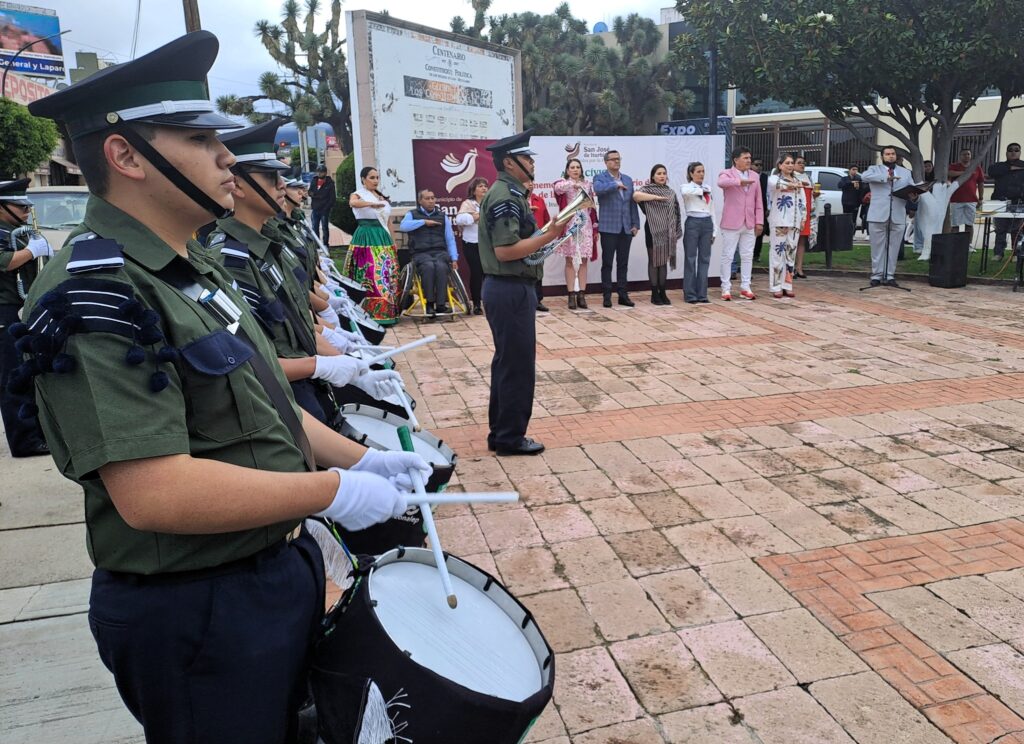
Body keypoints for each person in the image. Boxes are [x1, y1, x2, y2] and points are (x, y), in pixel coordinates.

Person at [22, 31, 428, 742]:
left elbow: (269, 408)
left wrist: (362, 461)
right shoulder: (100, 293)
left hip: (266, 575)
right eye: (199, 138)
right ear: (125, 155)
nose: (227, 158)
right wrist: (333, 493)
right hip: (197, 607)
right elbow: (154, 494)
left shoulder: (190, 271)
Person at [209, 119, 390, 426]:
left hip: (310, 389)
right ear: (237, 184)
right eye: (270, 177)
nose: (282, 185)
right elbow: (252, 360)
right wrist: (322, 363)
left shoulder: (269, 244)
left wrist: (344, 356)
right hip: (286, 402)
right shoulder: (230, 259)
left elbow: (298, 321)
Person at [478, 130, 553, 456]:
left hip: (511, 289)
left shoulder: (511, 193)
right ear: (509, 162)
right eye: (526, 158)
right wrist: (551, 234)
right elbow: (506, 251)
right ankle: (510, 437)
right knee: (517, 365)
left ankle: (503, 433)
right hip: (509, 288)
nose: (532, 163)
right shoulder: (506, 197)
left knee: (509, 363)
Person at [0, 179, 51, 457]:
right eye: (19, 207)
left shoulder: (15, 231)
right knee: (12, 377)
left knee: (29, 373)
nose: (25, 212)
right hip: (4, 310)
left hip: (19, 307)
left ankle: (37, 433)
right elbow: (6, 262)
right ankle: (24, 442)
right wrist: (30, 251)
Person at [346, 166, 399, 323]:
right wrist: (371, 204)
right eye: (372, 177)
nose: (375, 181)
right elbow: (353, 203)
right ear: (363, 179)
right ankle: (369, 314)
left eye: (377, 177)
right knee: (369, 273)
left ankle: (388, 313)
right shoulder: (358, 194)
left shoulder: (381, 196)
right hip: (367, 237)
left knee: (387, 274)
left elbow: (388, 221)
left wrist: (394, 242)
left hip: (383, 237)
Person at [399, 189, 459, 319]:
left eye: (433, 198)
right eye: (427, 198)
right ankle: (429, 304)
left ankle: (441, 304)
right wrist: (423, 222)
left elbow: (450, 239)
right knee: (428, 267)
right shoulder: (412, 214)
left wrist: (454, 258)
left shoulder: (442, 216)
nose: (431, 201)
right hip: (421, 253)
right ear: (420, 201)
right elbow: (403, 226)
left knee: (441, 267)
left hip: (440, 251)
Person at [861, 146, 914, 286]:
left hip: (897, 213)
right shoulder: (874, 169)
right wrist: (886, 177)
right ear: (882, 156)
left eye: (893, 154)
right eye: (887, 154)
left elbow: (912, 188)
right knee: (877, 247)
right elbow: (864, 177)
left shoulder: (905, 172)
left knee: (894, 247)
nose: (891, 156)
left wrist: (914, 197)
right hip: (878, 214)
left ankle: (890, 275)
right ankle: (876, 275)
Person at [593, 150, 640, 307]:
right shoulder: (600, 177)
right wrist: (615, 184)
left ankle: (622, 294)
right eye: (613, 159)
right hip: (608, 227)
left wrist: (635, 224)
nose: (616, 162)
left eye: (618, 159)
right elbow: (598, 190)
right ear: (606, 162)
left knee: (623, 263)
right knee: (607, 263)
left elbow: (632, 203)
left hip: (626, 227)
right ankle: (607, 295)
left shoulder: (627, 179)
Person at [717, 146, 764, 301]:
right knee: (728, 255)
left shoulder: (755, 176)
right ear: (735, 160)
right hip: (731, 221)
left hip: (749, 221)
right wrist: (739, 181)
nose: (748, 161)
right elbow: (721, 183)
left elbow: (759, 200)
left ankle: (745, 286)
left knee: (747, 255)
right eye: (745, 158)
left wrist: (759, 221)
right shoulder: (727, 173)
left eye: (749, 158)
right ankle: (725, 287)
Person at [633, 164, 682, 305]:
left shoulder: (671, 192)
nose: (662, 176)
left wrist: (676, 231)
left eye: (664, 173)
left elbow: (676, 213)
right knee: (654, 262)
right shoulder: (646, 190)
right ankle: (654, 294)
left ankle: (663, 292)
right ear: (653, 176)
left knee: (663, 263)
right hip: (653, 231)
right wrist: (656, 197)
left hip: (668, 232)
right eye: (659, 173)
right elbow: (635, 196)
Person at [553, 158, 597, 310]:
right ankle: (571, 294)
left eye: (578, 167)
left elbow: (592, 208)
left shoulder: (588, 185)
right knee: (570, 261)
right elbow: (557, 189)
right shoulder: (564, 183)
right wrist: (573, 183)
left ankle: (582, 294)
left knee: (584, 261)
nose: (576, 170)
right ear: (567, 170)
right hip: (570, 225)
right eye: (572, 167)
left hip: (585, 227)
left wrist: (595, 228)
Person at [766, 154, 807, 299]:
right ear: (780, 165)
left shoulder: (798, 181)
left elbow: (803, 201)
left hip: (794, 223)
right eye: (787, 163)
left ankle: (787, 285)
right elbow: (776, 186)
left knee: (790, 255)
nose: (790, 165)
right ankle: (775, 286)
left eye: (791, 163)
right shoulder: (774, 178)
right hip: (779, 222)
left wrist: (803, 219)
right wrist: (793, 185)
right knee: (777, 254)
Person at [679, 162, 718, 304]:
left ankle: (702, 294)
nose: (702, 174)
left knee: (704, 259)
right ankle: (690, 294)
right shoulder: (686, 187)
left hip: (706, 222)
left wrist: (714, 230)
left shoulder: (708, 187)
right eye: (698, 171)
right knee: (690, 259)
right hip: (693, 222)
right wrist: (702, 190)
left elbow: (712, 209)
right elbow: (685, 193)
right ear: (691, 173)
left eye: (703, 171)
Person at [454, 178, 488, 315]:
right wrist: (476, 216)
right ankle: (476, 304)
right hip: (472, 244)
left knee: (489, 273)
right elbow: (460, 219)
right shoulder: (468, 204)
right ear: (474, 190)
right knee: (476, 273)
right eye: (480, 186)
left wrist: (478, 216)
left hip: (488, 244)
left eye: (486, 186)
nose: (484, 188)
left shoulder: (490, 202)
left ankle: (489, 302)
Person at [989, 143, 1024, 259]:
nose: (1013, 152)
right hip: (1000, 202)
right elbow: (991, 172)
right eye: (1010, 150)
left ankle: (1016, 253)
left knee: (1017, 230)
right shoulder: (999, 166)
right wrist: (1011, 168)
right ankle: (998, 253)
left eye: (1016, 150)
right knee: (1000, 229)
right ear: (1006, 152)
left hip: (1018, 202)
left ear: (1020, 152)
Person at [947, 148, 984, 243]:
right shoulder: (954, 166)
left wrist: (980, 198)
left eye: (968, 154)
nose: (966, 156)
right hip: (956, 200)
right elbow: (949, 173)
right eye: (964, 154)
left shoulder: (976, 167)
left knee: (969, 224)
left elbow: (980, 183)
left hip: (971, 200)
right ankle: (955, 244)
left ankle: (968, 245)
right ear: (960, 156)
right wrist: (965, 173)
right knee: (955, 225)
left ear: (971, 156)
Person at [527, 187, 551, 312]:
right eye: (527, 182)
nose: (529, 185)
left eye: (532, 182)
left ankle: (538, 300)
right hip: (523, 241)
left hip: (538, 240)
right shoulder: (516, 200)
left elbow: (547, 220)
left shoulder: (539, 200)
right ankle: (526, 299)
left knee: (538, 269)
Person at [792, 155, 813, 278]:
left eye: (803, 163)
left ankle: (799, 267)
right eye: (799, 162)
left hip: (806, 212)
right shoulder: (791, 177)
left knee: (801, 240)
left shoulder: (808, 177)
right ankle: (790, 268)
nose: (802, 165)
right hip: (795, 212)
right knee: (792, 240)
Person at [307, 164, 335, 247]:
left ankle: (325, 244)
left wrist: (327, 208)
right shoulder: (314, 180)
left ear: (325, 173)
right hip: (315, 208)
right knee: (314, 227)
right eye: (318, 172)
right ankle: (316, 244)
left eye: (321, 172)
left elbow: (332, 198)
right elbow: (310, 192)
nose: (319, 174)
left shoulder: (330, 183)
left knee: (324, 227)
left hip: (324, 209)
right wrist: (315, 195)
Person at [751, 158, 769, 263]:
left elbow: (768, 194)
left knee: (760, 233)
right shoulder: (748, 176)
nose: (759, 167)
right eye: (756, 164)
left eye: (761, 165)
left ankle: (756, 254)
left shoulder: (766, 178)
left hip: (762, 207)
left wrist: (768, 208)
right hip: (750, 208)